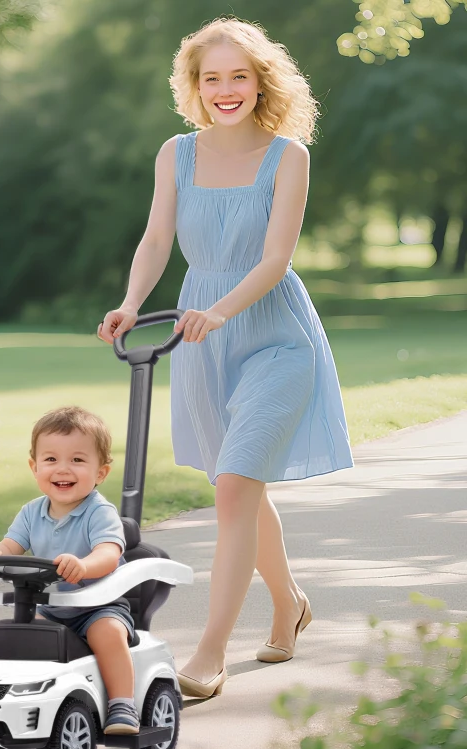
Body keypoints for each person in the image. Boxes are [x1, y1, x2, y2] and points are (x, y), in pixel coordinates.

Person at [97, 17, 353, 699]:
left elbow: (276, 259)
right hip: (201, 338)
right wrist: (130, 301)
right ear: (195, 86)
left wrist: (220, 310)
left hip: (274, 336)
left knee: (237, 484)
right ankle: (289, 602)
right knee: (237, 486)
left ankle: (210, 652)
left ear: (261, 81)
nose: (226, 89)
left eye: (239, 75)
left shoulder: (288, 157)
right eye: (212, 78)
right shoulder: (176, 153)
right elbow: (156, 239)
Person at [0, 405, 140, 734]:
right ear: (34, 467)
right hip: (50, 606)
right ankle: (17, 701)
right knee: (19, 633)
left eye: (77, 460)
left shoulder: (99, 512)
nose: (63, 469)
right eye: (51, 459)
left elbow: (108, 554)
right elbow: (10, 547)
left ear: (101, 472)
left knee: (107, 633)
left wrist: (84, 565)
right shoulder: (30, 513)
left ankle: (122, 704)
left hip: (97, 606)